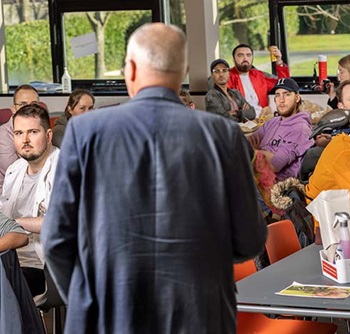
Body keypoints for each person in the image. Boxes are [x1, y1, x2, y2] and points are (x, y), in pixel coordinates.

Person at [41, 23, 266, 334]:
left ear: (130, 69)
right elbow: (250, 240)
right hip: (199, 313)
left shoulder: (84, 132)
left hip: (108, 313)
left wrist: (86, 299)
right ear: (184, 70)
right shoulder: (223, 135)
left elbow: (56, 238)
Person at [0, 103, 59, 297]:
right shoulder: (14, 170)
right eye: (18, 133)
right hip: (9, 258)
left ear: (48, 135)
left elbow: (59, 222)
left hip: (44, 267)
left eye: (32, 132)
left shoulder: (65, 168)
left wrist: (13, 225)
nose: (25, 140)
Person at [247, 77, 313, 182]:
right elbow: (248, 141)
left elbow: (274, 164)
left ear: (297, 98)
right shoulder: (273, 122)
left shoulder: (300, 129)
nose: (281, 100)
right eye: (277, 95)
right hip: (256, 173)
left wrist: (256, 151)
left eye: (287, 94)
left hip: (274, 185)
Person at [227, 43, 290, 117]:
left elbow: (284, 84)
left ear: (252, 58)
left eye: (248, 55)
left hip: (263, 118)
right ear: (233, 60)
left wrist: (279, 62)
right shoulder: (227, 77)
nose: (245, 58)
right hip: (242, 120)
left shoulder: (259, 75)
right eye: (240, 55)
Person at [0, 85, 39, 192]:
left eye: (34, 104)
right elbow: (15, 175)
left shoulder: (42, 130)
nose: (29, 109)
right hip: (8, 196)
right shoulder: (3, 135)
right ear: (14, 109)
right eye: (23, 104)